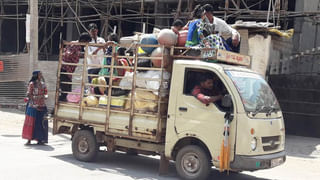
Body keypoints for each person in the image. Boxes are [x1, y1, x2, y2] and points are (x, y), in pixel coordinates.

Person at [59, 32, 91, 101]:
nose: (86, 45)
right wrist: (78, 54)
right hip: (65, 70)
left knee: (67, 92)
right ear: (83, 41)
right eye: (86, 42)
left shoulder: (77, 47)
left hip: (68, 71)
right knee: (65, 93)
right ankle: (56, 109)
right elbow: (68, 54)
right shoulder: (75, 45)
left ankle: (58, 108)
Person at [22, 71, 48, 145]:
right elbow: (29, 94)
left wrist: (45, 97)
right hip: (33, 106)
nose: (41, 75)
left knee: (41, 123)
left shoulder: (43, 84)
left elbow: (46, 93)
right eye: (40, 74)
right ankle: (29, 139)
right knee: (31, 122)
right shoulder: (32, 84)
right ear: (36, 75)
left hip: (42, 105)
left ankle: (40, 139)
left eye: (41, 74)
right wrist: (34, 100)